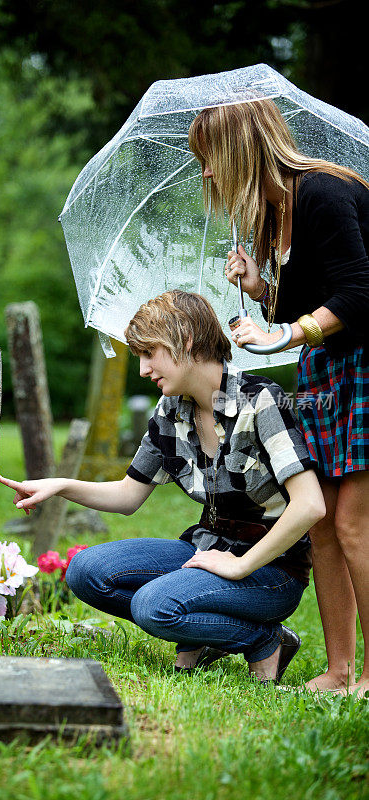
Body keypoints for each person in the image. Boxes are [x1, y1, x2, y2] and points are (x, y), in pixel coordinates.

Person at [0, 290, 325, 684]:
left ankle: (262, 640)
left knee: (155, 606)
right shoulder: (170, 412)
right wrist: (60, 485)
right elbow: (128, 495)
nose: (142, 369)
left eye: (149, 353)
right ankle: (205, 630)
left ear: (185, 340)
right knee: (86, 571)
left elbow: (310, 506)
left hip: (271, 571)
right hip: (204, 550)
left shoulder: (262, 402)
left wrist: (238, 566)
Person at [188, 98, 369, 695]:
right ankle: (340, 672)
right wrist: (260, 288)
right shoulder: (273, 217)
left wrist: (282, 334)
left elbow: (359, 293)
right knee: (321, 529)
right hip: (325, 371)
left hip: (364, 365)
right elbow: (307, 300)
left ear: (243, 145)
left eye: (210, 158)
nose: (207, 172)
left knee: (351, 524)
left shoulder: (322, 191)